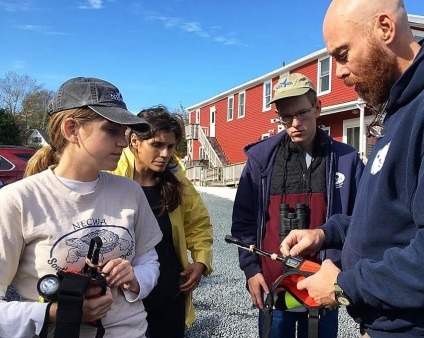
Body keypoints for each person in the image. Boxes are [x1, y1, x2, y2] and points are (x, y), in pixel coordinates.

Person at [280, 1, 424, 337]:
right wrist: (326, 234)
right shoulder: (401, 108)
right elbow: (388, 218)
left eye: (342, 54)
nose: (338, 71)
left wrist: (346, 284)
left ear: (385, 28)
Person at [0, 77, 163, 338]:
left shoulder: (130, 191)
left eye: (124, 132)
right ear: (71, 129)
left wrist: (134, 276)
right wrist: (60, 312)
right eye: (111, 130)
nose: (123, 142)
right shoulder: (17, 200)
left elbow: (150, 260)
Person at [231, 72, 364, 338]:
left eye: (302, 113)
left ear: (317, 108)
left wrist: (343, 269)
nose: (295, 124)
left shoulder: (346, 160)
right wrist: (251, 269)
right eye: (285, 117)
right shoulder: (260, 160)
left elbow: (363, 220)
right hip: (274, 286)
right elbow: (243, 221)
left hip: (323, 285)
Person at [111, 105, 213, 338]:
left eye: (170, 146)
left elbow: (198, 224)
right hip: (123, 299)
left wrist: (200, 261)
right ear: (135, 141)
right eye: (156, 145)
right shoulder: (112, 178)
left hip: (170, 294)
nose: (165, 153)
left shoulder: (176, 181)